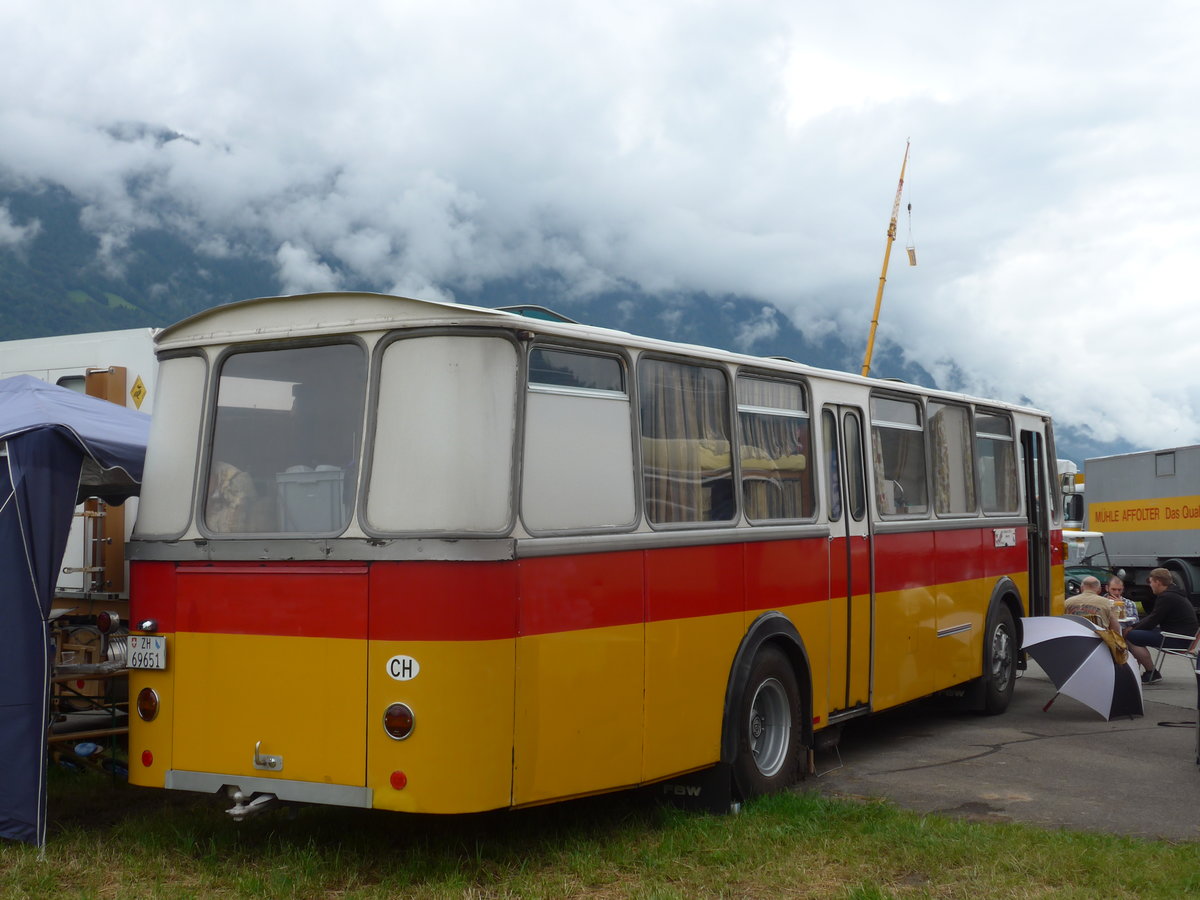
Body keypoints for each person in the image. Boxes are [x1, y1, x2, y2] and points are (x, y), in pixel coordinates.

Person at [1123, 568, 1199, 684]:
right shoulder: (1175, 593)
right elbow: (1153, 617)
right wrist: (1135, 626)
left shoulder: (1167, 597)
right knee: (1136, 633)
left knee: (1131, 636)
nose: (1150, 585)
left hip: (1178, 640)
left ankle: (1151, 673)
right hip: (1184, 637)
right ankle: (1138, 671)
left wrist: (1132, 628)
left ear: (1157, 582)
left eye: (1150, 582)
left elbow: (1153, 619)